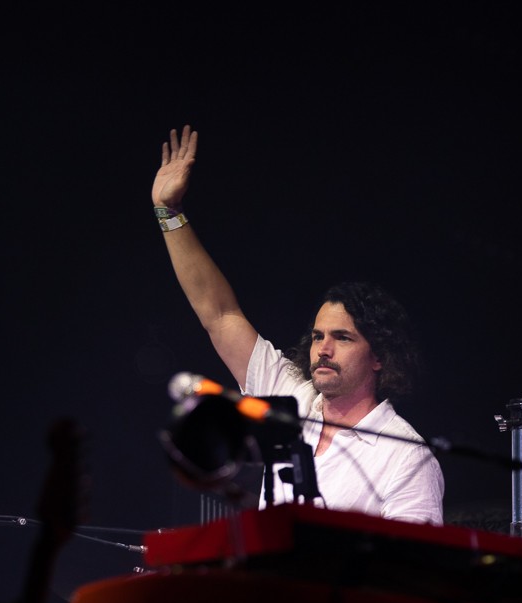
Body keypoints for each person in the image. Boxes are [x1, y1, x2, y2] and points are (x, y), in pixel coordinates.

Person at [152, 124, 444, 525]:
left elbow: (412, 561)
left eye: (343, 338)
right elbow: (218, 315)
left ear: (379, 356)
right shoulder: (289, 398)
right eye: (318, 336)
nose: (323, 348)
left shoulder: (407, 457)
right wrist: (169, 213)